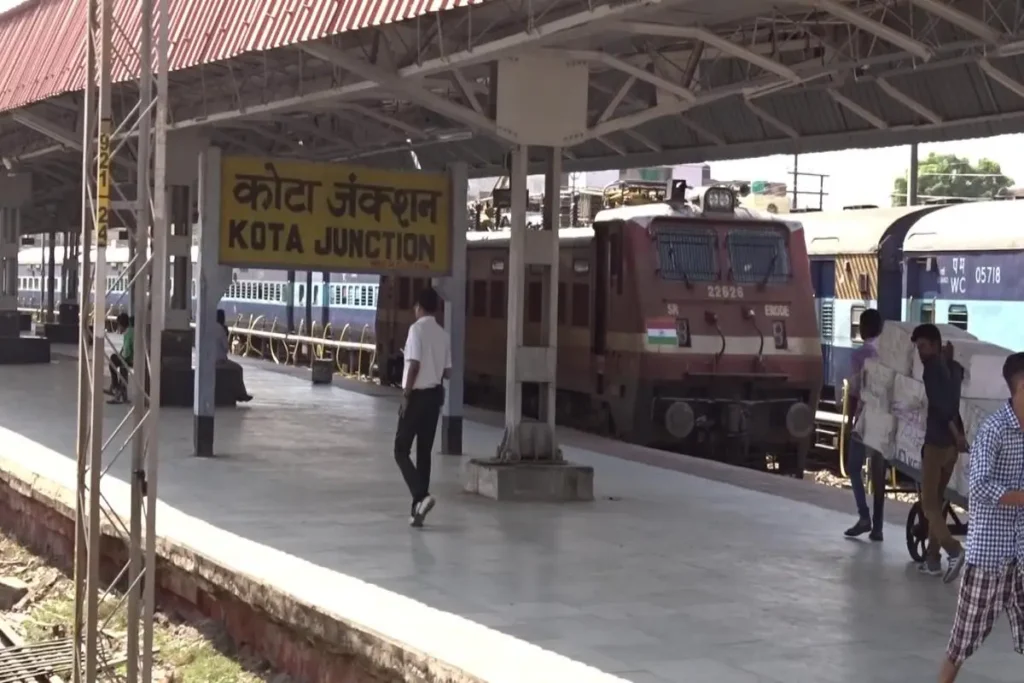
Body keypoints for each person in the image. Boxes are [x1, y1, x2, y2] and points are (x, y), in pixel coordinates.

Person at [939, 352, 1024, 683]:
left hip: (1021, 557)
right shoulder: (994, 430)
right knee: (960, 645)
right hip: (989, 559)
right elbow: (979, 485)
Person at [912, 323, 968, 581]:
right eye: (918, 347)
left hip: (936, 444)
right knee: (939, 501)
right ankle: (932, 559)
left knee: (929, 504)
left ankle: (954, 550)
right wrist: (959, 436)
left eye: (923, 346)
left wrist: (957, 435)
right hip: (951, 450)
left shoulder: (931, 370)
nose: (920, 352)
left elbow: (941, 408)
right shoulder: (952, 367)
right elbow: (954, 402)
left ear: (935, 345)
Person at [394, 287, 450, 528]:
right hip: (434, 397)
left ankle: (421, 495)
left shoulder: (416, 329)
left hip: (417, 397)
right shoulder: (443, 334)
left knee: (400, 449)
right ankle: (418, 509)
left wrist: (406, 395)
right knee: (424, 452)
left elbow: (414, 365)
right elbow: (448, 372)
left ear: (419, 306)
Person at [844, 308, 887, 541]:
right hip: (885, 419)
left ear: (863, 329)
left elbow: (854, 392)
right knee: (879, 473)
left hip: (865, 419)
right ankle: (878, 527)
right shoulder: (888, 354)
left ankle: (864, 517)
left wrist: (850, 421)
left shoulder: (860, 356)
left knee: (853, 466)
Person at [215, 309, 253, 403]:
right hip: (219, 361)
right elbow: (226, 348)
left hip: (207, 360)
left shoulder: (208, 327)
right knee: (238, 369)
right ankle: (241, 393)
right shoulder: (220, 329)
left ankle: (239, 393)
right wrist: (226, 334)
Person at [105, 313, 133, 404]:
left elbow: (127, 351)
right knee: (115, 359)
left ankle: (115, 387)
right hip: (132, 358)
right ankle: (118, 390)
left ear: (121, 325)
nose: (118, 328)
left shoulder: (128, 334)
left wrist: (121, 357)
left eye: (118, 325)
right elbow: (124, 349)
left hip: (131, 359)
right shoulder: (130, 331)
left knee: (113, 361)